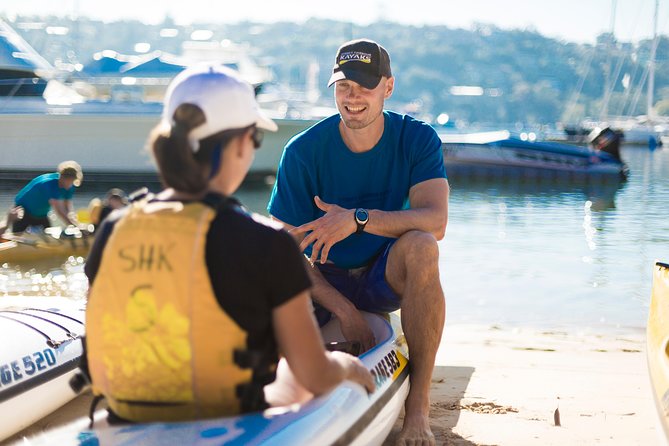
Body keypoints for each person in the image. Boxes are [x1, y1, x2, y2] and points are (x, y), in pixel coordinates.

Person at [83, 64, 373, 424]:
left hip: (127, 411)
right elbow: (313, 373)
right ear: (240, 143)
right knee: (296, 374)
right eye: (255, 139)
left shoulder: (114, 228)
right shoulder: (268, 243)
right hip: (223, 417)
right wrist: (348, 366)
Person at [267, 38, 449, 445]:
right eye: (344, 86)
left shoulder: (416, 139)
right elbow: (283, 250)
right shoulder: (302, 151)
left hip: (384, 276)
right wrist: (342, 309)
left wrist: (357, 220)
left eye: (365, 86)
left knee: (422, 245)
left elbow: (435, 221)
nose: (353, 97)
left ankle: (417, 409)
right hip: (324, 282)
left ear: (388, 87)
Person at [8, 160, 83, 233]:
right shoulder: (49, 184)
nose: (69, 184)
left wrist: (76, 224)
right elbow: (59, 210)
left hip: (42, 214)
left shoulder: (70, 186)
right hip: (23, 211)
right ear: (61, 177)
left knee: (48, 237)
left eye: (71, 181)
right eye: (67, 180)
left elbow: (68, 208)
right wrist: (75, 226)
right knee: (18, 237)